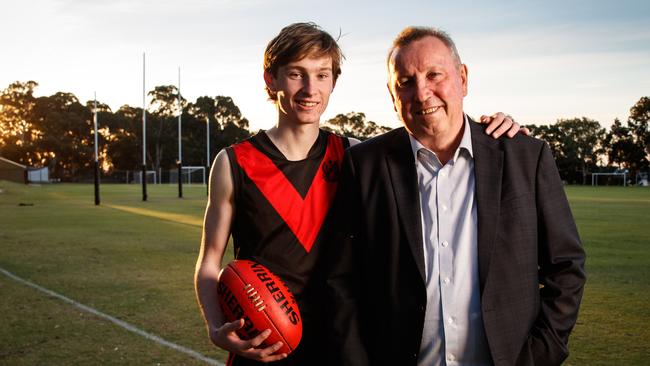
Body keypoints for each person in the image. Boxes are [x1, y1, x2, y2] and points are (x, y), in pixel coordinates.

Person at [194, 22, 523, 365]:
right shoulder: (235, 163)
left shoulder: (356, 156)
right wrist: (216, 326)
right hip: (263, 344)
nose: (310, 88)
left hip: (340, 345)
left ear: (333, 81)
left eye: (322, 75)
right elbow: (210, 262)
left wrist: (500, 132)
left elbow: (433, 135)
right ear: (270, 79)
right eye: (296, 74)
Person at [326, 26, 586, 366]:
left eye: (435, 75)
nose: (422, 93)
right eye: (405, 82)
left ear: (462, 78)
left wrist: (539, 354)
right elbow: (341, 280)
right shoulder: (365, 165)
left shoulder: (524, 156)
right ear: (392, 96)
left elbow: (566, 267)